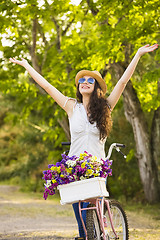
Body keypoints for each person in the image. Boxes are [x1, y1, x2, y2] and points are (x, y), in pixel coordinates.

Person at [9, 43, 158, 240]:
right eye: (82, 80)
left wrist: (138, 54)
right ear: (78, 86)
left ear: (96, 87)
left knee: (91, 203)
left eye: (90, 80)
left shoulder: (105, 108)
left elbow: (122, 82)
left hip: (97, 164)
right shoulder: (71, 107)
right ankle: (85, 235)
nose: (85, 82)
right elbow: (46, 85)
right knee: (78, 203)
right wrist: (27, 66)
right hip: (75, 164)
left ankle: (98, 228)